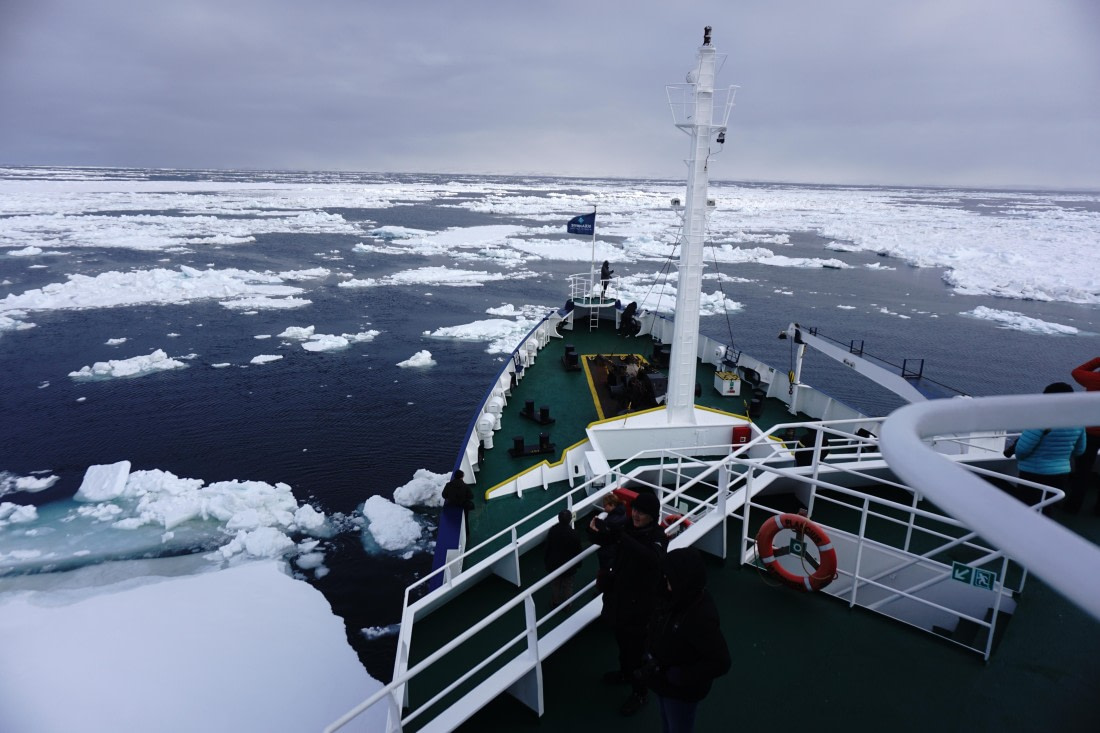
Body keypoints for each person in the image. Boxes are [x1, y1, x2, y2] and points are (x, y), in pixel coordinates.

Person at [588, 490, 668, 716]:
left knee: (637, 652)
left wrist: (620, 536)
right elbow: (606, 539)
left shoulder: (658, 537)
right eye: (636, 510)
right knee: (623, 643)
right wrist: (593, 529)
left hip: (641, 606)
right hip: (620, 599)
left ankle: (640, 693)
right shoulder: (629, 529)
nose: (637, 515)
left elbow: (651, 559)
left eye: (642, 512)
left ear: (652, 516)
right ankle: (625, 674)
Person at [640, 547, 731, 733]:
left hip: (680, 691)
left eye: (669, 576)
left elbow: (721, 662)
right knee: (667, 721)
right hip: (662, 680)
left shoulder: (700, 616)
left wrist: (681, 676)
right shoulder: (671, 597)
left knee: (678, 727)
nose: (665, 578)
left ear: (682, 579)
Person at [1013, 382, 1086, 513]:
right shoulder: (1078, 420)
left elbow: (1022, 449)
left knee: (1029, 508)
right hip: (1061, 474)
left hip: (1034, 473)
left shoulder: (1041, 418)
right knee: (1047, 508)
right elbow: (1080, 449)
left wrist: (1020, 458)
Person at [1067, 357, 1100, 514]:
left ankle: (1073, 506)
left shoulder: (1094, 379)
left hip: (1091, 433)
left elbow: (1076, 372)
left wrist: (1098, 360)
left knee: (1083, 471)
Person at [544, 509, 582, 610]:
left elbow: (548, 547)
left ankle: (555, 602)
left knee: (555, 583)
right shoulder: (574, 534)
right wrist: (578, 564)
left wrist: (546, 561)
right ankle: (567, 605)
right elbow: (578, 550)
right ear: (570, 520)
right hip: (569, 565)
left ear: (558, 519)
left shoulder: (552, 531)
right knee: (568, 584)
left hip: (554, 563)